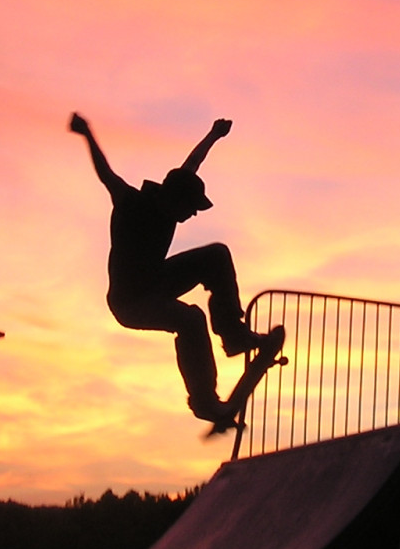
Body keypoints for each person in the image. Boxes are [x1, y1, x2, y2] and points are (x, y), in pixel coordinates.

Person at [70, 112, 271, 425]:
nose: (192, 214)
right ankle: (204, 401)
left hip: (157, 281)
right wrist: (86, 133)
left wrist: (213, 135)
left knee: (216, 255)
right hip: (130, 302)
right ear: (175, 198)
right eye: (190, 207)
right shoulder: (130, 203)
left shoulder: (173, 197)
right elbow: (105, 173)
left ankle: (233, 335)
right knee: (191, 319)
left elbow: (192, 164)